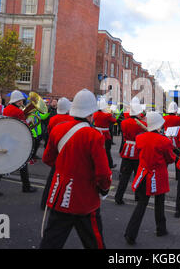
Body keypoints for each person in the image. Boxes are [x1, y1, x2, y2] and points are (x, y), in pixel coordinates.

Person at [40, 89, 112, 249]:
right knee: (95, 243)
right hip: (84, 200)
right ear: (91, 112)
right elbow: (103, 173)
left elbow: (47, 159)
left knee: (51, 242)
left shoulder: (58, 129)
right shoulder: (94, 135)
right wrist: (104, 189)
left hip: (59, 196)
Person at [124, 112, 176, 245]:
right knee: (160, 203)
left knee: (141, 204)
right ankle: (161, 229)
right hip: (158, 175)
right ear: (158, 126)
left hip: (143, 174)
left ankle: (131, 233)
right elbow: (170, 159)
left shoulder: (140, 138)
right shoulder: (164, 141)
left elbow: (138, 153)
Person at [0, 90, 37, 196]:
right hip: (15, 140)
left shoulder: (7, 108)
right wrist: (29, 120)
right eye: (20, 100)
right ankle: (25, 186)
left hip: (7, 138)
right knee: (18, 162)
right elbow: (23, 126)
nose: (21, 102)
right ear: (16, 100)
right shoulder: (18, 111)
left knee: (16, 163)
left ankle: (25, 186)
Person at [40, 97, 74, 211]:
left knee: (51, 180)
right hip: (67, 153)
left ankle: (45, 202)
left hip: (56, 150)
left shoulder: (53, 119)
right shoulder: (71, 119)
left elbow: (50, 133)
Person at [114, 103, 147, 205]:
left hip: (127, 149)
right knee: (138, 175)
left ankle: (118, 196)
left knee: (124, 176)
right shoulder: (142, 124)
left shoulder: (124, 122)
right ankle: (138, 196)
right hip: (137, 150)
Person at [93, 99, 117, 169]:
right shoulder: (107, 115)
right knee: (107, 151)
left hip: (97, 132)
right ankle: (110, 164)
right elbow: (114, 121)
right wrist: (112, 115)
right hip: (105, 135)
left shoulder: (95, 114)